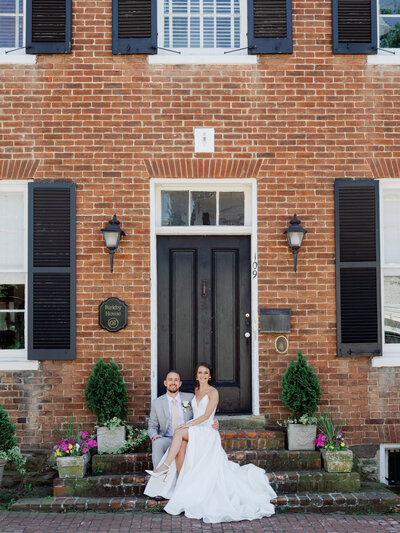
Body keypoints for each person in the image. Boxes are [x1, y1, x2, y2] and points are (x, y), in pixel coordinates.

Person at [144, 362, 276, 523]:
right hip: (195, 430)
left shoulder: (213, 392)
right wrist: (189, 425)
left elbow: (207, 415)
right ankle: (183, 483)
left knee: (179, 431)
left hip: (205, 431)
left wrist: (191, 424)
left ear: (210, 375)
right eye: (200, 372)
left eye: (205, 373)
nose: (203, 375)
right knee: (181, 446)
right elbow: (193, 412)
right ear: (196, 375)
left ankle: (164, 467)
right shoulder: (195, 392)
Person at [148, 369, 219, 471]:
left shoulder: (190, 397)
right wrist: (154, 435)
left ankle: (181, 479)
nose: (173, 382)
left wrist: (213, 421)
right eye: (170, 380)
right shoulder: (157, 403)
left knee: (182, 444)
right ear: (165, 383)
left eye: (176, 380)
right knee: (157, 443)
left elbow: (202, 411)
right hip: (167, 438)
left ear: (180, 383)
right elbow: (152, 426)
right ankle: (159, 475)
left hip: (186, 437)